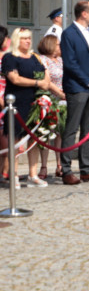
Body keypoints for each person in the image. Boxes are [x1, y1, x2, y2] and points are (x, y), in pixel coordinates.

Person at [2, 28, 60, 187]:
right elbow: (14, 78)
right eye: (24, 38)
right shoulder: (10, 57)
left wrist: (52, 88)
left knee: (34, 139)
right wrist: (36, 83)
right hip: (16, 102)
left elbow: (45, 76)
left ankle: (33, 174)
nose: (28, 41)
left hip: (34, 102)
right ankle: (13, 175)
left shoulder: (35, 58)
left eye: (29, 38)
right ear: (16, 40)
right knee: (15, 140)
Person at [59, 0, 89, 184]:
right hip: (77, 87)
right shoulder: (68, 34)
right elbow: (70, 63)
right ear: (84, 14)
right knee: (72, 129)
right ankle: (65, 170)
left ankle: (86, 168)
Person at [35, 35, 66, 179]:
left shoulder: (60, 60)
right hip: (50, 99)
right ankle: (44, 166)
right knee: (46, 133)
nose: (60, 47)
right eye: (58, 45)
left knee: (60, 134)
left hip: (63, 100)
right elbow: (47, 80)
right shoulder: (43, 60)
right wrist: (59, 93)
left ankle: (60, 165)